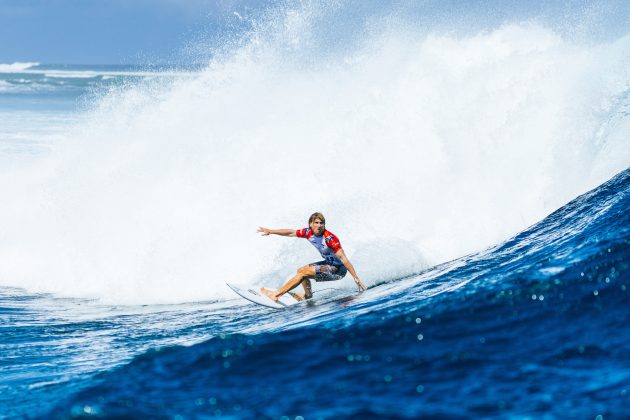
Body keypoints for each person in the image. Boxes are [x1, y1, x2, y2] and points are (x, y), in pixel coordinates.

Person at [257, 212, 366, 301]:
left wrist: (356, 278)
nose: (319, 225)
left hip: (338, 270)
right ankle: (308, 295)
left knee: (303, 273)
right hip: (328, 264)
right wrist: (271, 231)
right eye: (317, 223)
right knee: (301, 270)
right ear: (311, 224)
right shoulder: (308, 233)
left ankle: (276, 295)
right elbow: (290, 232)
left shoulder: (330, 239)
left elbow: (344, 259)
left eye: (322, 223)